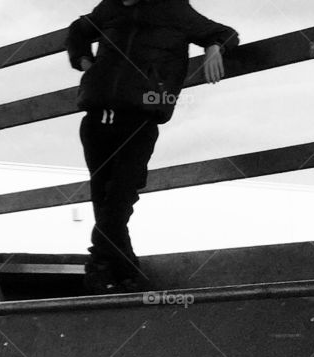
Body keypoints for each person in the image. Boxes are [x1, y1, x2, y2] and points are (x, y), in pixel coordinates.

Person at [67, 0, 239, 293]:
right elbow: (77, 30)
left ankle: (98, 266)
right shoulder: (109, 8)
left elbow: (224, 33)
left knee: (121, 196)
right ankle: (126, 272)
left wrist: (214, 47)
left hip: (140, 118)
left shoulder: (174, 9)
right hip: (95, 119)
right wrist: (86, 63)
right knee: (103, 199)